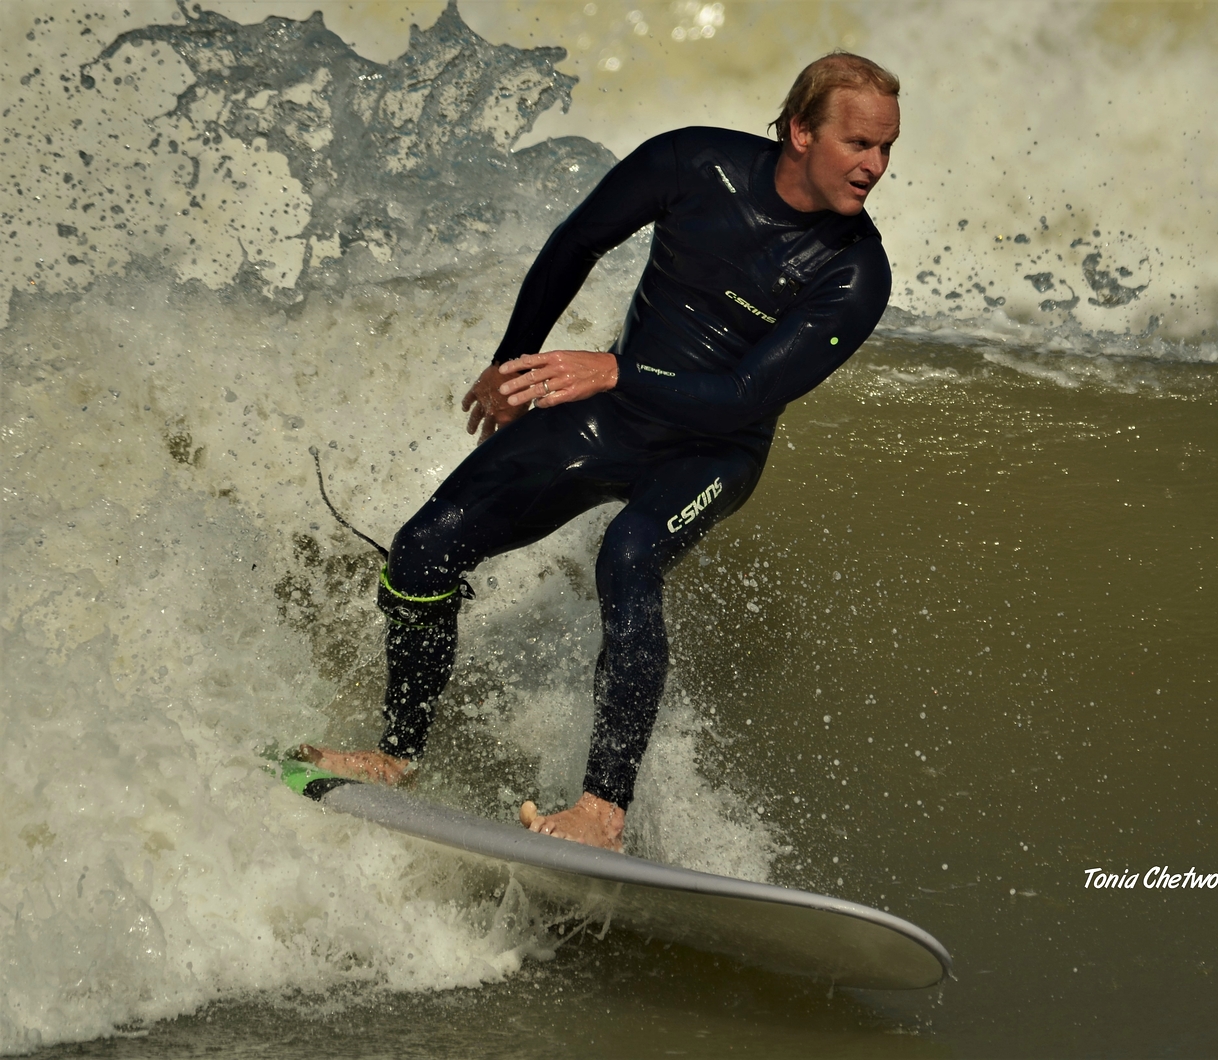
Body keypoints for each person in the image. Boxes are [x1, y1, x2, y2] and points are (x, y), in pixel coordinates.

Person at [298, 53, 900, 851]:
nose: (876, 166)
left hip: (714, 452)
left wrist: (614, 369)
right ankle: (395, 754)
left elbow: (749, 397)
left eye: (887, 149)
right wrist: (514, 364)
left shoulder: (856, 272)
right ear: (799, 131)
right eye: (860, 143)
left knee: (628, 552)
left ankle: (601, 813)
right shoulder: (691, 163)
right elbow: (577, 241)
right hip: (613, 418)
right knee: (421, 555)